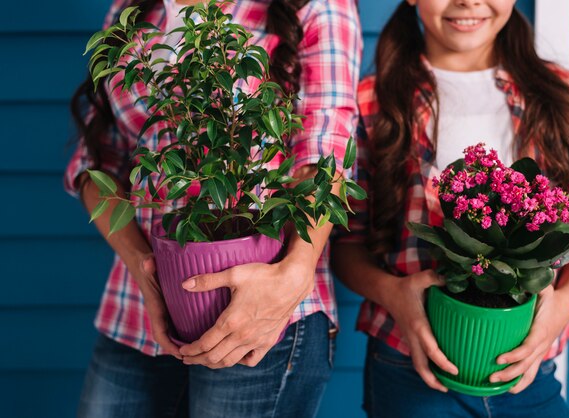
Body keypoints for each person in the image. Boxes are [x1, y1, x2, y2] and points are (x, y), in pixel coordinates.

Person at [65, 0, 361, 416]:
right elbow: (98, 161)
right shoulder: (129, 10)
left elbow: (325, 150)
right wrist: (143, 268)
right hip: (137, 308)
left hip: (259, 309)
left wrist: (296, 268)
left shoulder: (315, 5)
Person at [331, 0, 569, 417]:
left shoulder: (563, 97)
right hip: (408, 364)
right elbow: (346, 244)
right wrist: (393, 294)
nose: (468, 2)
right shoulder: (372, 101)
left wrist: (560, 310)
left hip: (525, 372)